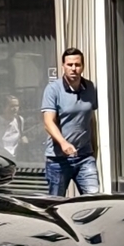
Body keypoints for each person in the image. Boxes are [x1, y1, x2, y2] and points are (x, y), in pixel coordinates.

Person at [39, 47, 101, 197]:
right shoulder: (53, 89)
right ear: (63, 66)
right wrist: (63, 143)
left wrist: (95, 148)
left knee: (94, 199)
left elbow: (91, 119)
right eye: (70, 65)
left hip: (84, 157)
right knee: (56, 204)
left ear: (83, 66)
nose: (74, 68)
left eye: (77, 65)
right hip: (58, 160)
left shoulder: (90, 87)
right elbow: (48, 122)